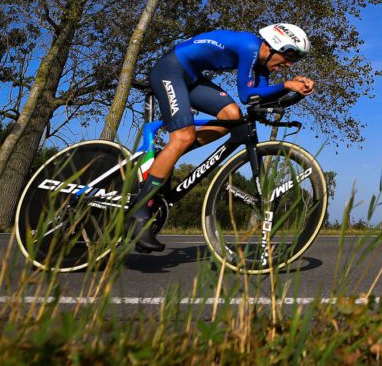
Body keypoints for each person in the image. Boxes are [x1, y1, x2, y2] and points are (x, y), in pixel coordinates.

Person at [132, 23, 316, 252]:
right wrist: (287, 85)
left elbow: (259, 99)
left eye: (294, 62)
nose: (289, 64)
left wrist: (294, 89)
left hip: (191, 78)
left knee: (231, 116)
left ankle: (164, 160)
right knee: (182, 137)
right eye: (289, 56)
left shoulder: (262, 63)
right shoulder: (249, 47)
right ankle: (139, 214)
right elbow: (247, 94)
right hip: (170, 70)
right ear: (274, 44)